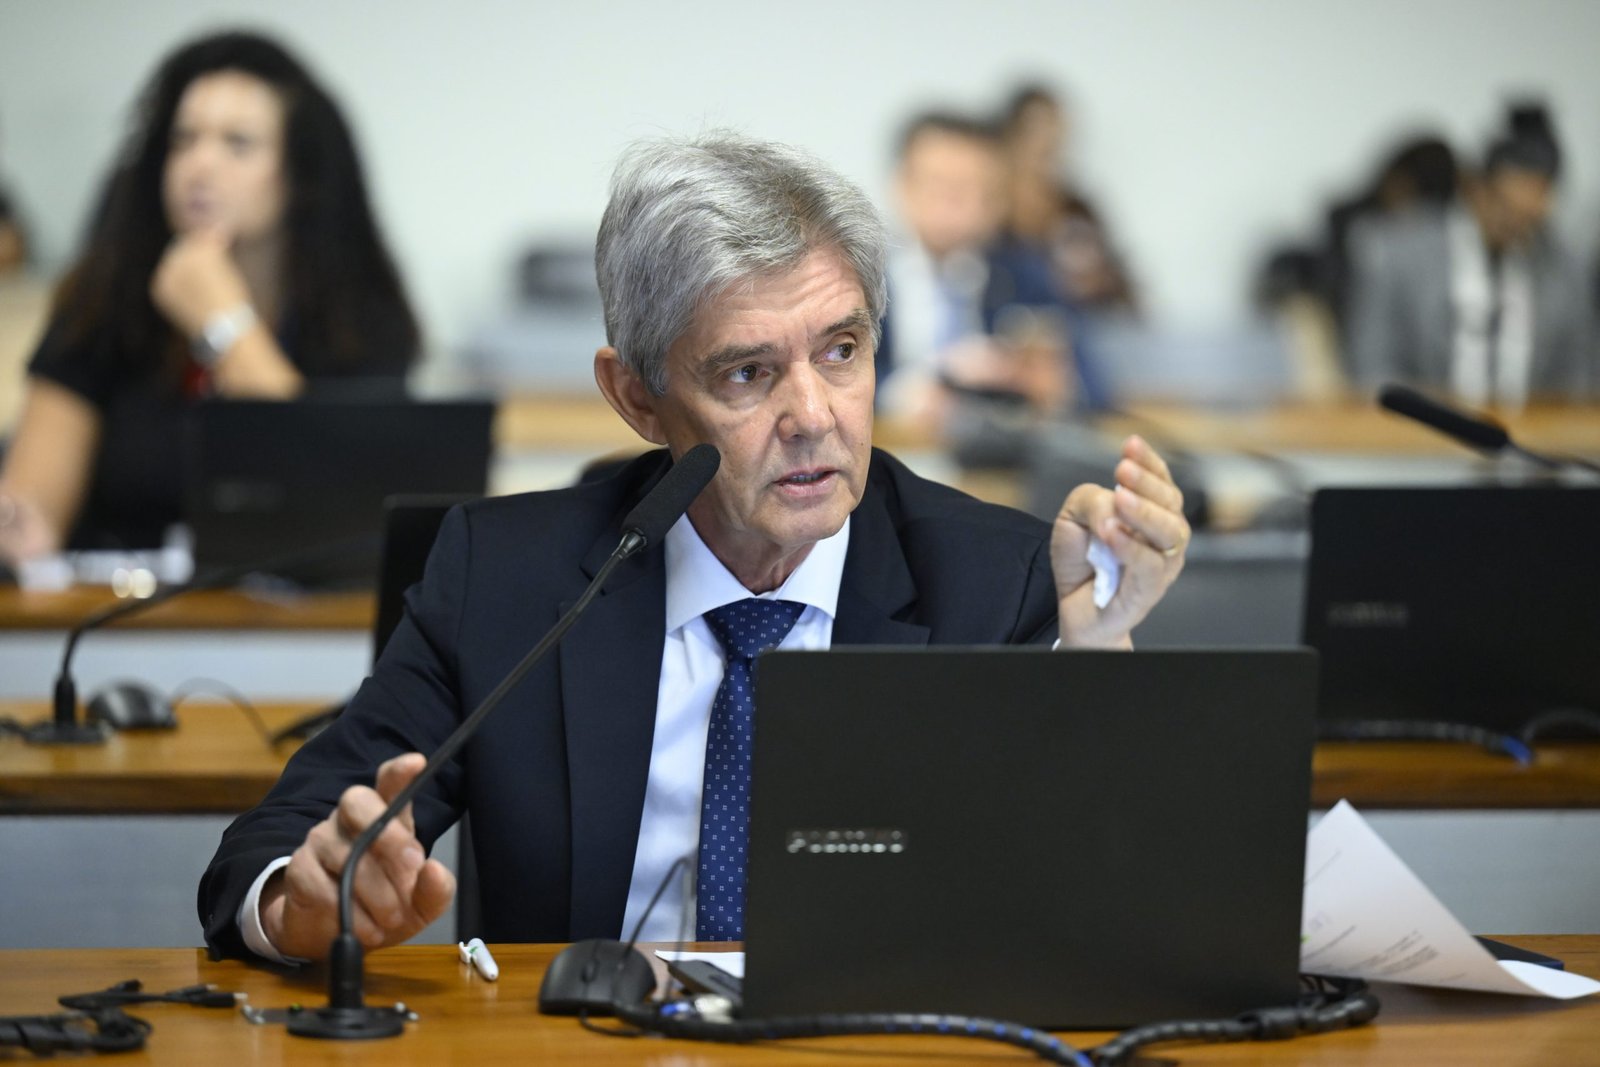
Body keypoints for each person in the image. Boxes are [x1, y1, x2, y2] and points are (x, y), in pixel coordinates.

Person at [198, 132, 1190, 962]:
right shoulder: (506, 580)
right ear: (636, 396)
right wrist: (302, 905)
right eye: (748, 373)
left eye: (841, 351)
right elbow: (275, 847)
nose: (815, 416)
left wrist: (1096, 657)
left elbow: (1118, 911)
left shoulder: (995, 579)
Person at [0, 31, 419, 563]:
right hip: (116, 605)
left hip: (296, 612)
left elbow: (342, 508)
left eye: (237, 144)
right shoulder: (105, 296)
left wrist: (224, 325)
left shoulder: (360, 314)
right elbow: (32, 514)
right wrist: (20, 525)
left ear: (299, 174)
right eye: (183, 140)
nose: (199, 166)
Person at [1347, 105, 1594, 406]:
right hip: (1423, 426)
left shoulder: (1563, 270)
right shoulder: (1397, 253)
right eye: (1505, 209)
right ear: (1476, 189)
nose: (1514, 227)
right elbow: (1373, 366)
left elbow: (1578, 376)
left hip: (1532, 427)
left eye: (1529, 218)